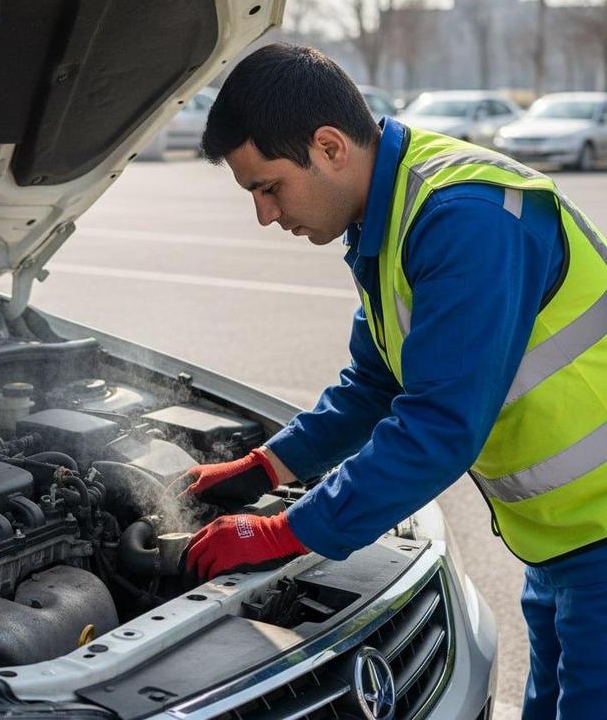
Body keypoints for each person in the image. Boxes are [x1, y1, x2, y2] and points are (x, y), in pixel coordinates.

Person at [173, 43, 606, 720]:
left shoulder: (465, 217)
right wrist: (265, 465)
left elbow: (437, 426)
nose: (264, 214)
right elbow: (374, 385)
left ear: (329, 147)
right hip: (562, 539)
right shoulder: (392, 216)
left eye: (268, 186)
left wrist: (286, 530)